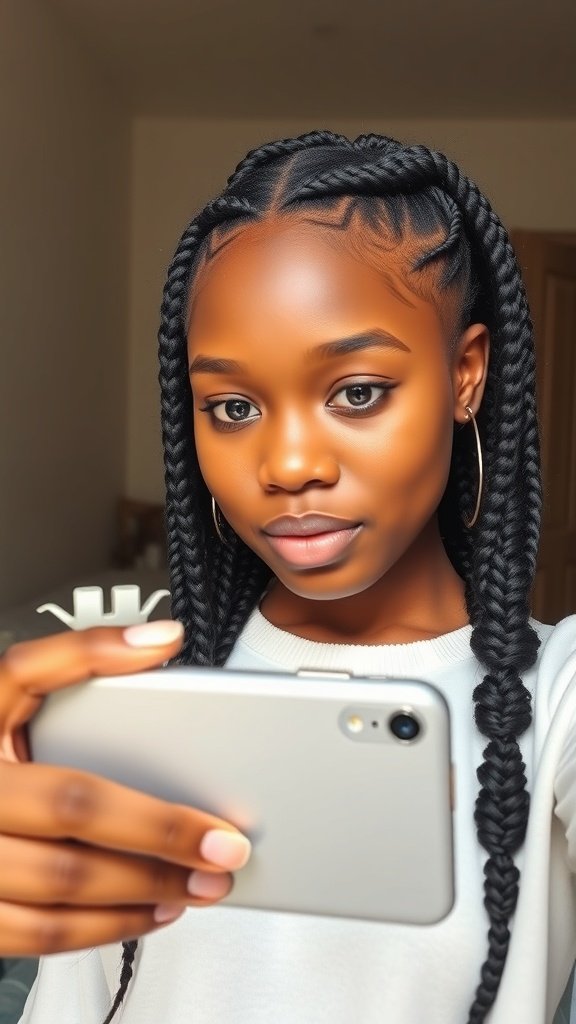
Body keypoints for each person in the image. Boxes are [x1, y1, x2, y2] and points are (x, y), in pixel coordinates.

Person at [2, 130, 576, 1024]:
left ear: (465, 375)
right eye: (231, 407)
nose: (290, 463)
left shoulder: (556, 700)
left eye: (355, 391)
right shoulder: (135, 693)